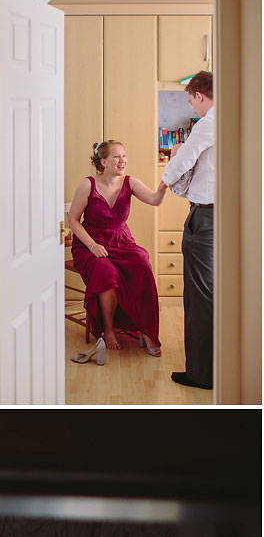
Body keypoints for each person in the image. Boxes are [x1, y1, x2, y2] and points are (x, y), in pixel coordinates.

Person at [67, 140, 163, 362]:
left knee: (142, 263)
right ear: (103, 162)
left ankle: (147, 330)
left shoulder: (131, 182)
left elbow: (155, 200)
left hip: (121, 241)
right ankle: (108, 329)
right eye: (117, 157)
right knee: (105, 272)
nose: (123, 161)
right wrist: (92, 245)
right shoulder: (87, 185)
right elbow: (73, 220)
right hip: (91, 244)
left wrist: (165, 185)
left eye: (124, 156)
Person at [159, 70, 214, 390]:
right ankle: (213, 365)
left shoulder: (208, 122)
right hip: (217, 216)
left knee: (199, 296)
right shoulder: (230, 118)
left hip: (204, 217)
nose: (192, 107)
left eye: (191, 100)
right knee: (211, 293)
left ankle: (201, 373)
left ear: (199, 95)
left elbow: (183, 161)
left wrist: (162, 185)